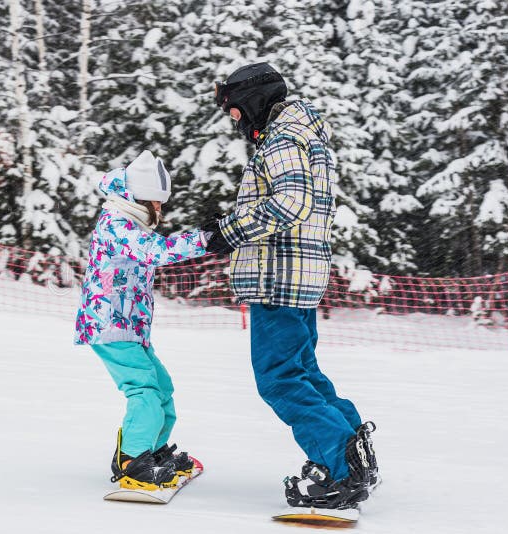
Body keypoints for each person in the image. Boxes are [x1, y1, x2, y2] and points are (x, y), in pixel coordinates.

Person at [201, 63, 379, 510]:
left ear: (256, 101)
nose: (236, 121)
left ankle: (340, 470)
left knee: (279, 380)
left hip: (275, 276)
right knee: (303, 373)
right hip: (297, 274)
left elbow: (290, 202)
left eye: (237, 111)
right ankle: (354, 455)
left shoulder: (282, 138)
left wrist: (230, 231)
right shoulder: (303, 135)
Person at [75, 150, 206, 491]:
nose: (160, 209)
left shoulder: (130, 222)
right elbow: (156, 251)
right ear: (138, 197)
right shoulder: (117, 224)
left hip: (129, 327)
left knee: (162, 388)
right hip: (108, 325)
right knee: (144, 389)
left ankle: (154, 451)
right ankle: (133, 459)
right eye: (156, 202)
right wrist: (205, 238)